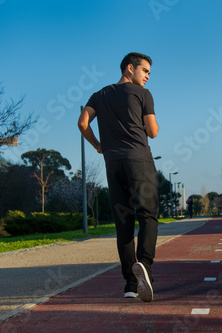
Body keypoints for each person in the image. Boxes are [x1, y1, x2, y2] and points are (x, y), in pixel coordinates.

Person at [78, 52, 159, 302]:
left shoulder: (99, 95)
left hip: (113, 163)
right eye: (144, 71)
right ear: (130, 68)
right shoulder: (142, 94)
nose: (147, 77)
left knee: (123, 223)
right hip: (139, 161)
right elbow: (153, 132)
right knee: (148, 214)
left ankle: (130, 285)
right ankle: (144, 263)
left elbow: (82, 123)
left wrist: (98, 145)